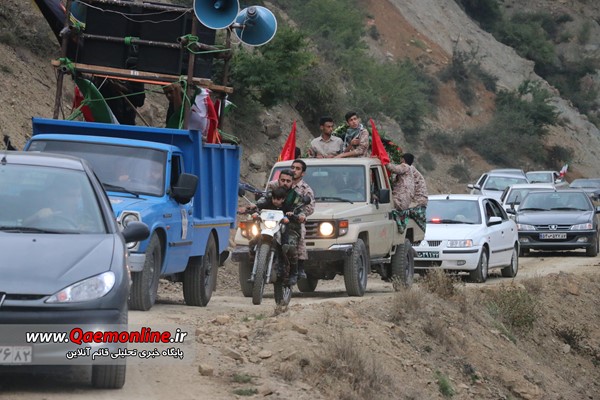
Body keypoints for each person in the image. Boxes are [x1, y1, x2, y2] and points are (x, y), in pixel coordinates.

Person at [267, 159, 315, 280]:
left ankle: (299, 266)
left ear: (303, 173)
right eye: (292, 167)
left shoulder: (305, 189)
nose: (294, 170)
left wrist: (298, 214)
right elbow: (266, 196)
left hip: (293, 218)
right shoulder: (276, 184)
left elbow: (309, 208)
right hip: (274, 217)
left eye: (297, 169)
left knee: (300, 232)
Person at [254, 186, 306, 285]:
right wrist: (255, 209)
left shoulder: (286, 206)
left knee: (289, 242)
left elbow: (293, 212)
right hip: (268, 228)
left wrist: (290, 214)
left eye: (278, 199)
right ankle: (255, 255)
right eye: (274, 198)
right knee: (252, 236)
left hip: (280, 229)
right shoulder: (268, 203)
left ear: (283, 199)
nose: (275, 201)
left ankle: (293, 270)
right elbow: (260, 206)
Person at [385, 153, 428, 233]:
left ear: (403, 160)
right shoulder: (411, 171)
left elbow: (394, 169)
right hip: (413, 199)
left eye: (401, 159)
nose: (400, 161)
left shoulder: (405, 167)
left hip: (407, 199)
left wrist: (385, 162)